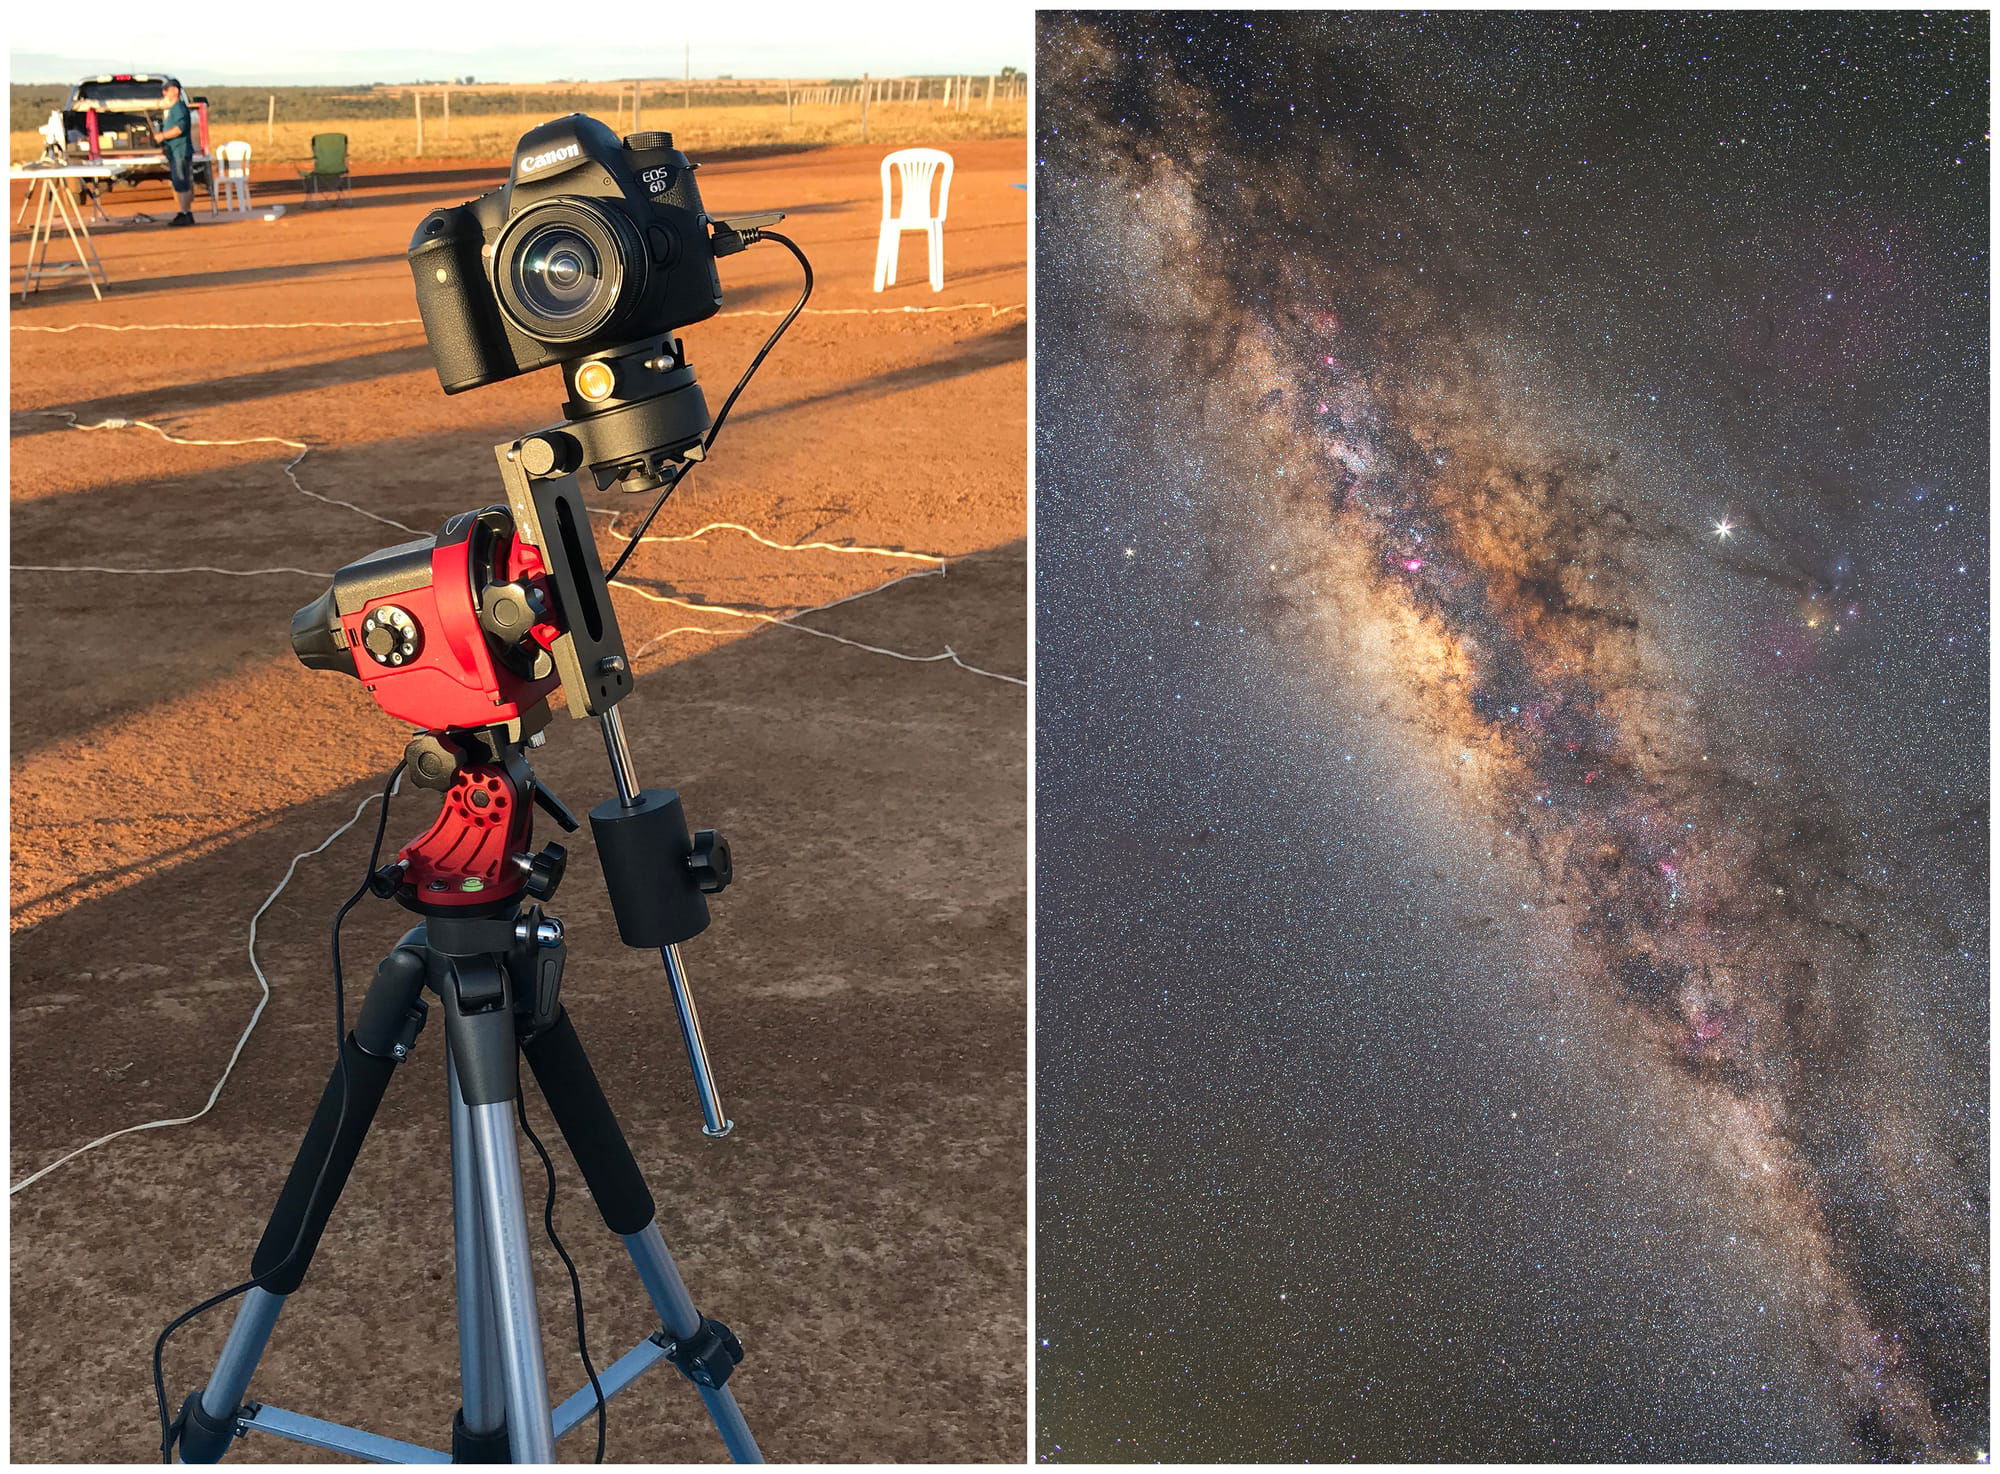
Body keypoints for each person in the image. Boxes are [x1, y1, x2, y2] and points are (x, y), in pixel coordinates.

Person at [156, 82, 197, 226]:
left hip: (180, 150)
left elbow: (179, 129)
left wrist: (163, 136)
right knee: (179, 182)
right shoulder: (174, 109)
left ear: (175, 91)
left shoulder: (178, 108)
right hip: (175, 151)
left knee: (182, 182)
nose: (164, 93)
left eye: (166, 90)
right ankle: (184, 212)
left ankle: (185, 213)